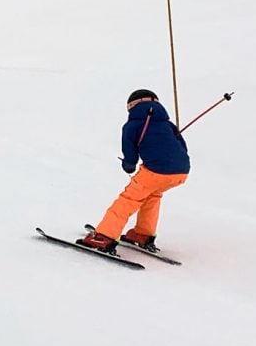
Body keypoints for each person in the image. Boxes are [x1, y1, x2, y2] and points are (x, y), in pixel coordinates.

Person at [78, 89, 189, 253]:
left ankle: (104, 237)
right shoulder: (168, 124)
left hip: (156, 171)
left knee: (128, 200)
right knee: (152, 195)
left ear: (131, 106)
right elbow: (182, 147)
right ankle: (143, 234)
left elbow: (130, 154)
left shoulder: (133, 124)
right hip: (181, 171)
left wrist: (128, 165)